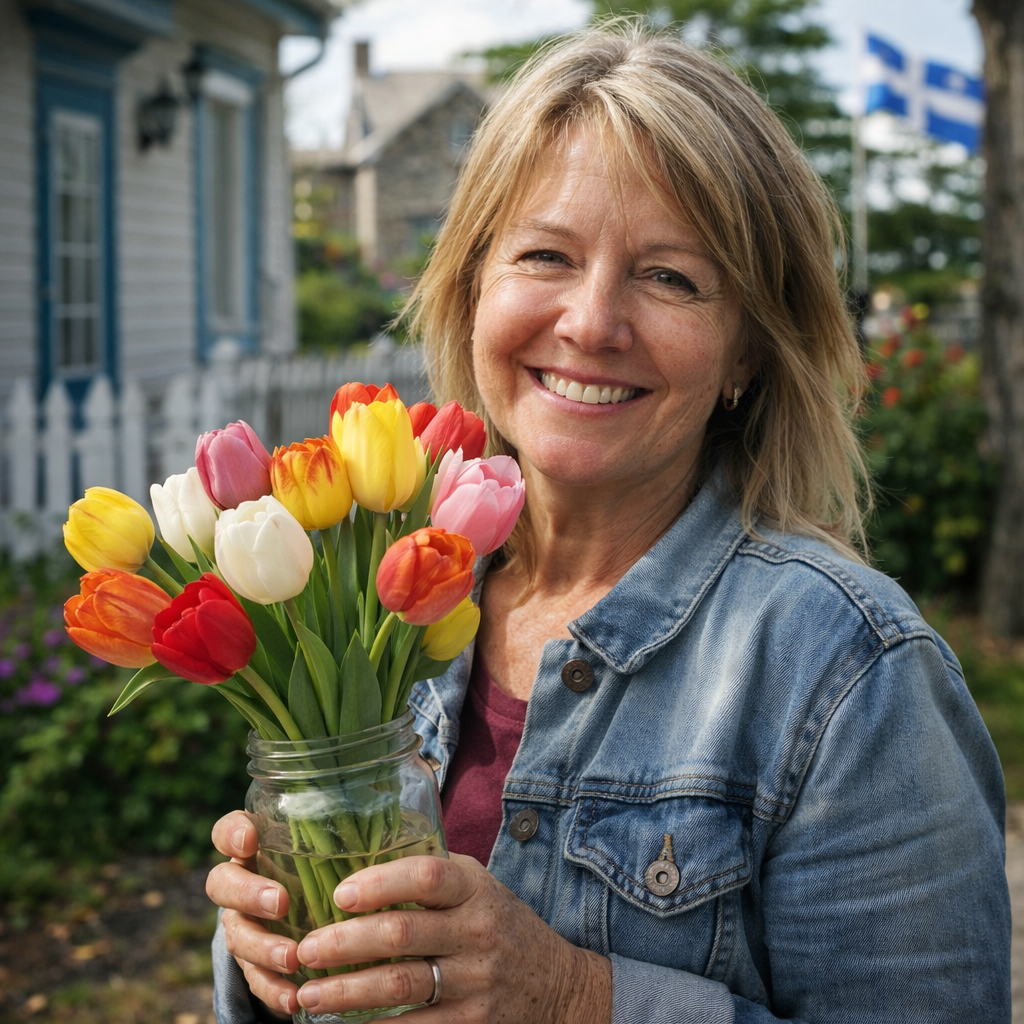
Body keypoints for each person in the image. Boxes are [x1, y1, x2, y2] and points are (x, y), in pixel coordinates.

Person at [206, 21, 1011, 1024]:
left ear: (747, 352)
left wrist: (570, 996)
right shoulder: (377, 596)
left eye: (670, 276)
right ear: (472, 291)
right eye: (546, 254)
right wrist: (269, 949)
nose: (590, 322)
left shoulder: (849, 670)